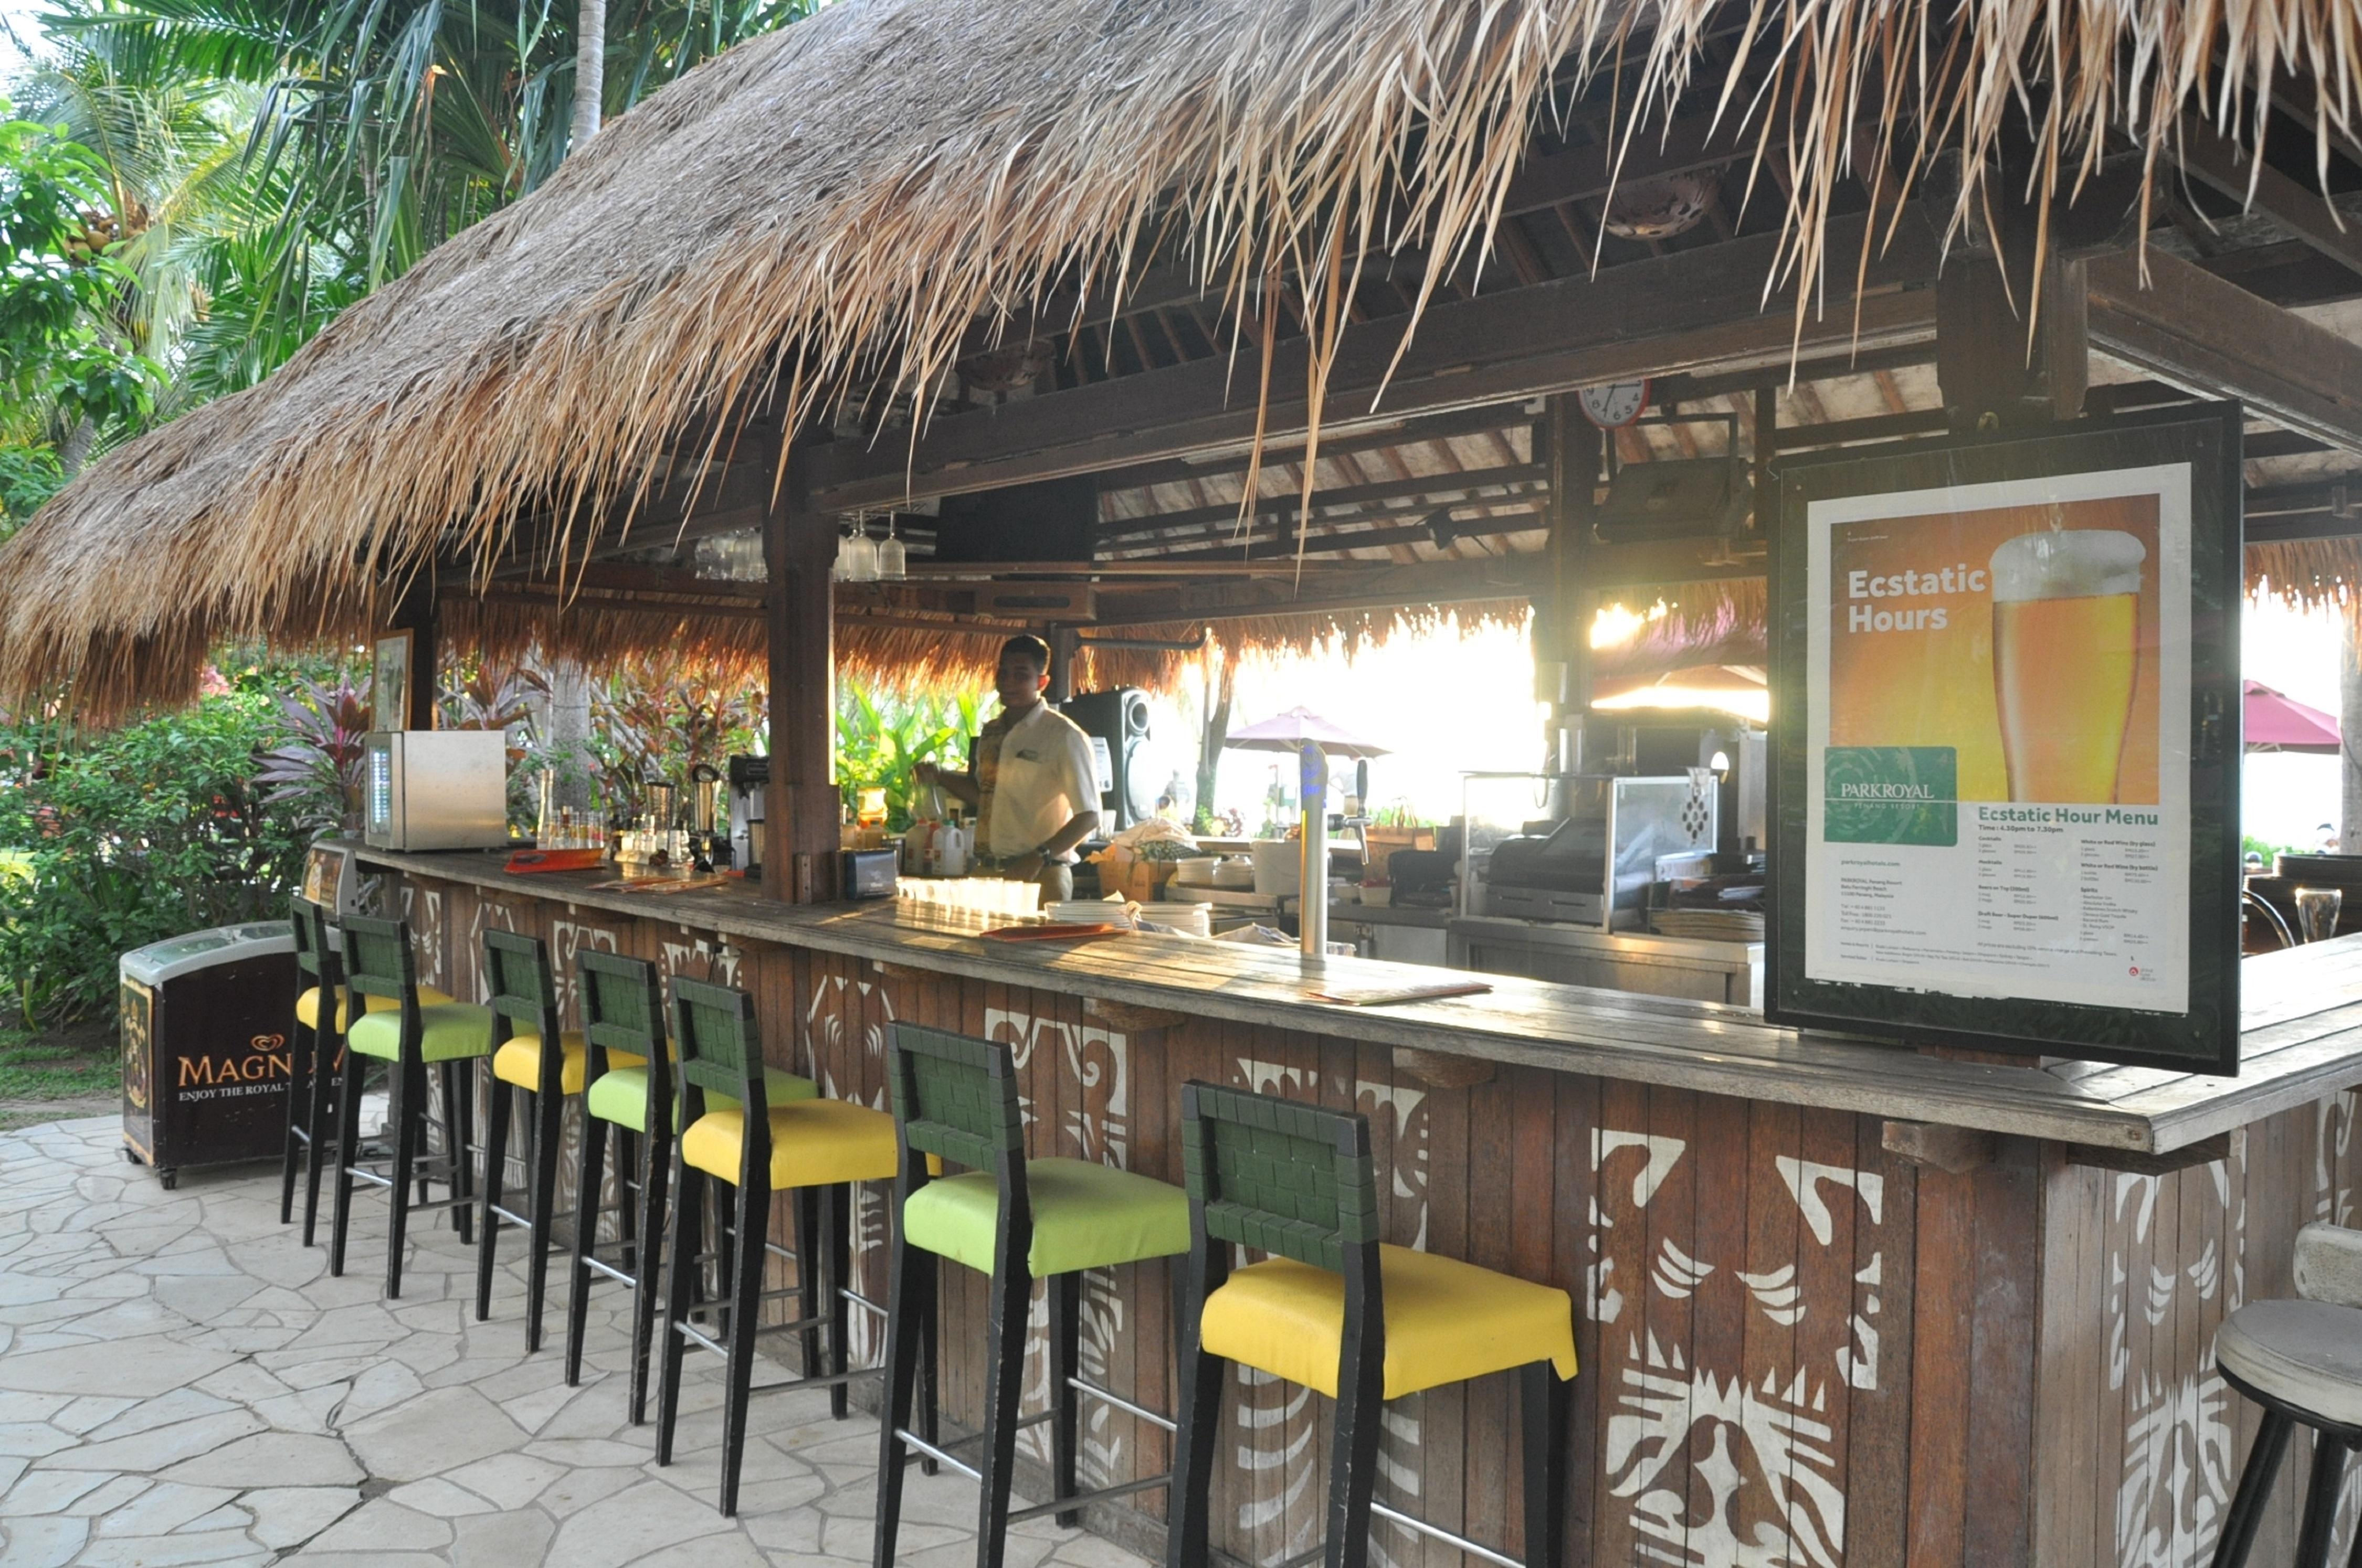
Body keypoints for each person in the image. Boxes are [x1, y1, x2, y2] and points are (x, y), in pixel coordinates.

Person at [914, 635, 1102, 902]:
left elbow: (1090, 817)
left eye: (1020, 675)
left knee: (1036, 945)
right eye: (1003, 673)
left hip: (1042, 875)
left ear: (1042, 682)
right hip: (987, 872)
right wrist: (940, 776)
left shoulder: (1064, 736)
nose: (1008, 681)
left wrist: (1039, 857)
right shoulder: (992, 732)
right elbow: (986, 796)